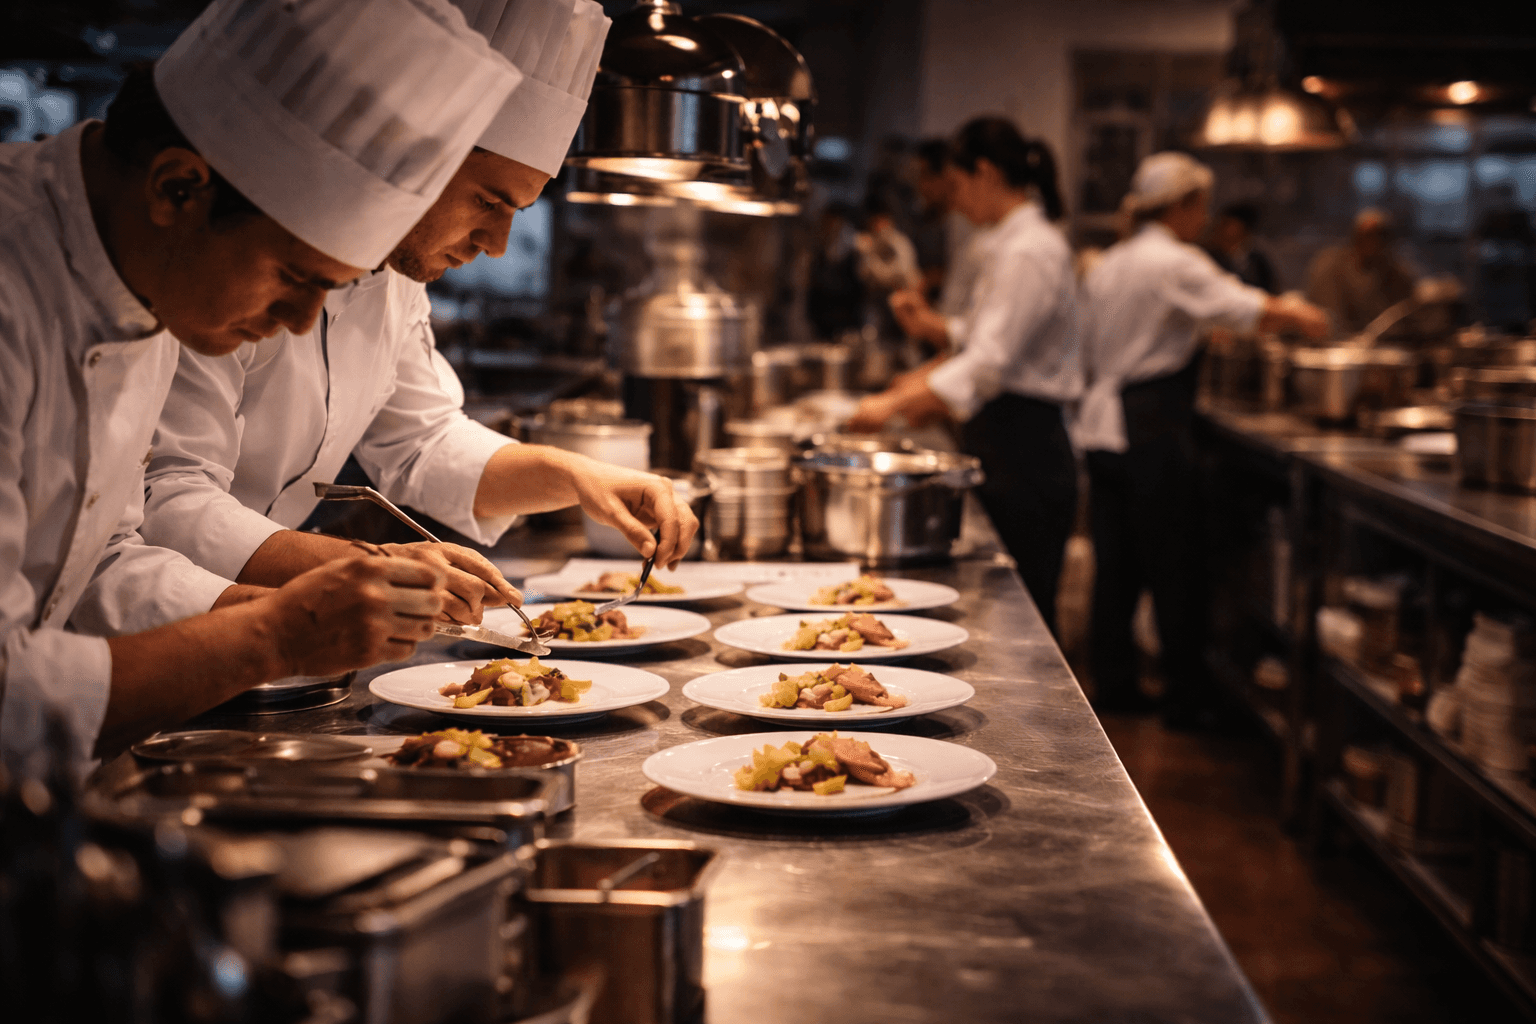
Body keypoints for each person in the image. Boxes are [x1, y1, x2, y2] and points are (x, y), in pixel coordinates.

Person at [0, 0, 524, 776]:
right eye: (291, 276)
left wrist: (316, 615)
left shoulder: (143, 274)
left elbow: (100, 562)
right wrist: (275, 636)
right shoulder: (17, 285)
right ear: (179, 189)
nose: (298, 323)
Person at [127, 0, 698, 631]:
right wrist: (358, 569)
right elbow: (166, 498)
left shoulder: (396, 273)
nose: (499, 245)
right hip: (189, 617)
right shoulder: (221, 259)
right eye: (487, 199)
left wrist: (575, 474)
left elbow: (420, 438)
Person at [1078, 152, 1330, 723]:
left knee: (1115, 566)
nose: (1204, 219)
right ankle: (1186, 696)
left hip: (1102, 426)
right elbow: (1244, 307)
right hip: (1150, 424)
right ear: (1185, 206)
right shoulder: (1176, 261)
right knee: (1174, 562)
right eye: (1201, 207)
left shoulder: (1109, 261)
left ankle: (1113, 684)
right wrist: (1302, 316)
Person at [846, 118, 1081, 636]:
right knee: (1015, 613)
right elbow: (981, 340)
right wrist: (923, 356)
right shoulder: (1012, 244)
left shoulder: (1029, 248)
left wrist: (893, 405)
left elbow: (990, 360)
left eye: (956, 186)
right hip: (1010, 437)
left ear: (985, 173)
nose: (954, 201)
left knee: (1027, 621)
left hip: (1028, 445)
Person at [1305, 208, 1415, 335]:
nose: (1375, 243)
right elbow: (1327, 319)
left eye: (1382, 236)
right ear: (1356, 237)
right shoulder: (1330, 266)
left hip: (1387, 347)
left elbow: (1406, 318)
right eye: (1369, 235)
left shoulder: (1397, 273)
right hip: (1337, 345)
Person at [1205, 202, 1278, 294]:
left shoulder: (1258, 261)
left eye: (1228, 224)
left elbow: (1270, 291)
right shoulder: (1210, 258)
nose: (1221, 229)